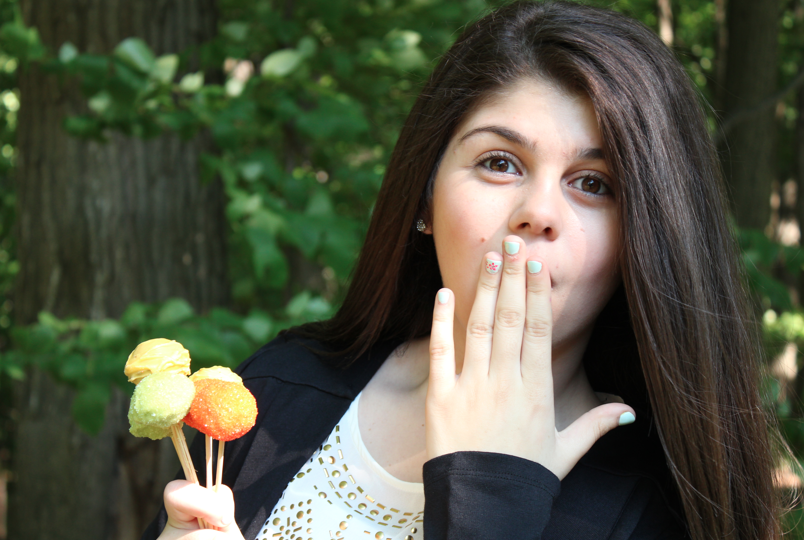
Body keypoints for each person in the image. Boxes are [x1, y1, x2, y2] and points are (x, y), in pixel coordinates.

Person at [142, 1, 782, 539]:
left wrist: (492, 491)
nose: (538, 212)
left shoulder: (653, 510)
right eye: (500, 162)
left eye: (593, 183)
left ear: (641, 240)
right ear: (424, 196)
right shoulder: (280, 391)